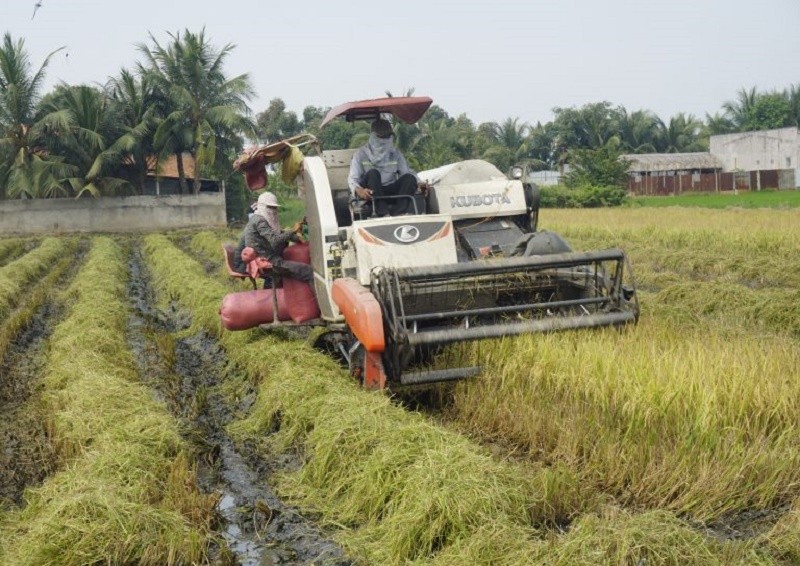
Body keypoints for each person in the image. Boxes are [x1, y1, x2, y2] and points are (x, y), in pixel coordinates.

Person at [348, 118, 428, 216]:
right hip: (370, 192)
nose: (384, 140)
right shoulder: (360, 154)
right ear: (373, 136)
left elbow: (406, 172)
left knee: (410, 178)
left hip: (389, 189)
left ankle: (399, 212)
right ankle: (383, 213)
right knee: (373, 173)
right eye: (381, 137)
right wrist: (359, 190)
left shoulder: (395, 154)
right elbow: (353, 179)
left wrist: (419, 183)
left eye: (387, 137)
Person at [233, 191, 313, 283]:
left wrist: (298, 239)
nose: (273, 210)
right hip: (256, 262)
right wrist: (293, 230)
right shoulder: (259, 221)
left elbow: (279, 233)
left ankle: (272, 287)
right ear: (262, 206)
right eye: (270, 207)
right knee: (308, 271)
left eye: (274, 207)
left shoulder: (260, 219)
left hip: (262, 257)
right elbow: (275, 240)